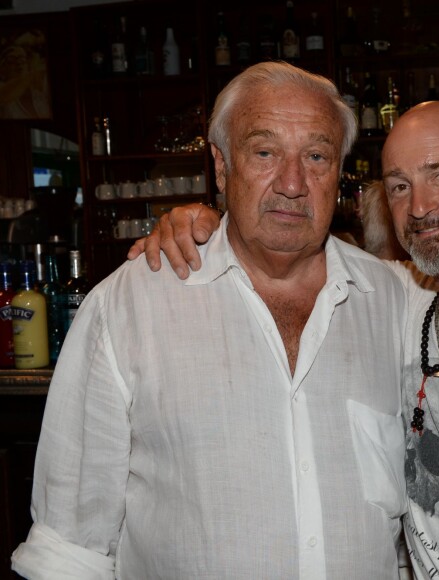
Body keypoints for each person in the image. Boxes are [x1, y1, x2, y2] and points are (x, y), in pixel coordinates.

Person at [134, 100, 439, 579]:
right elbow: (289, 246)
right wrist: (200, 220)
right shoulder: (396, 299)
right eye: (400, 187)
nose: (421, 207)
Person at [12, 61, 409, 579]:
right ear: (221, 167)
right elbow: (68, 551)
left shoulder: (395, 302)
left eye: (316, 156)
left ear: (340, 173)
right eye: (264, 152)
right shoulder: (129, 307)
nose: (292, 183)